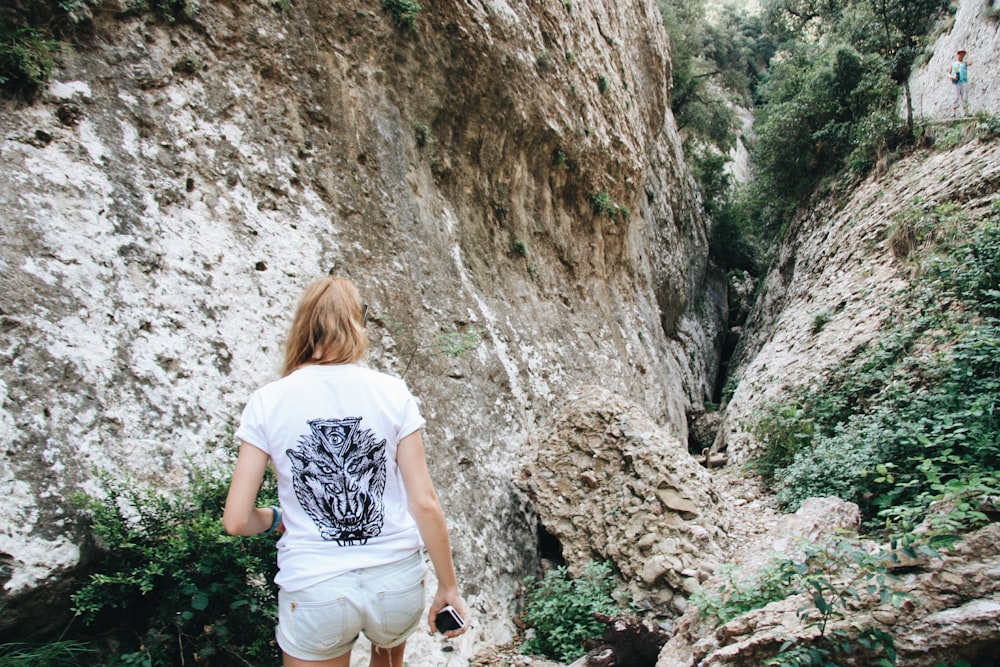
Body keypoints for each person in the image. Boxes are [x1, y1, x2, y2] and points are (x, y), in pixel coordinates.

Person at [223, 276, 468, 667]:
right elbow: (424, 502)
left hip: (316, 588)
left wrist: (276, 520)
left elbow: (236, 521)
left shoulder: (267, 401)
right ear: (357, 322)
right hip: (395, 584)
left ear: (303, 325)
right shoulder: (391, 392)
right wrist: (449, 587)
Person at [949, 48, 972, 117]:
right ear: (958, 54)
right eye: (960, 54)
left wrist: (968, 55)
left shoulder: (964, 63)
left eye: (963, 54)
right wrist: (952, 77)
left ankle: (966, 112)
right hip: (955, 82)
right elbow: (948, 73)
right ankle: (953, 113)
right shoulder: (953, 64)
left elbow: (971, 62)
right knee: (955, 97)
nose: (961, 56)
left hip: (964, 82)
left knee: (965, 97)